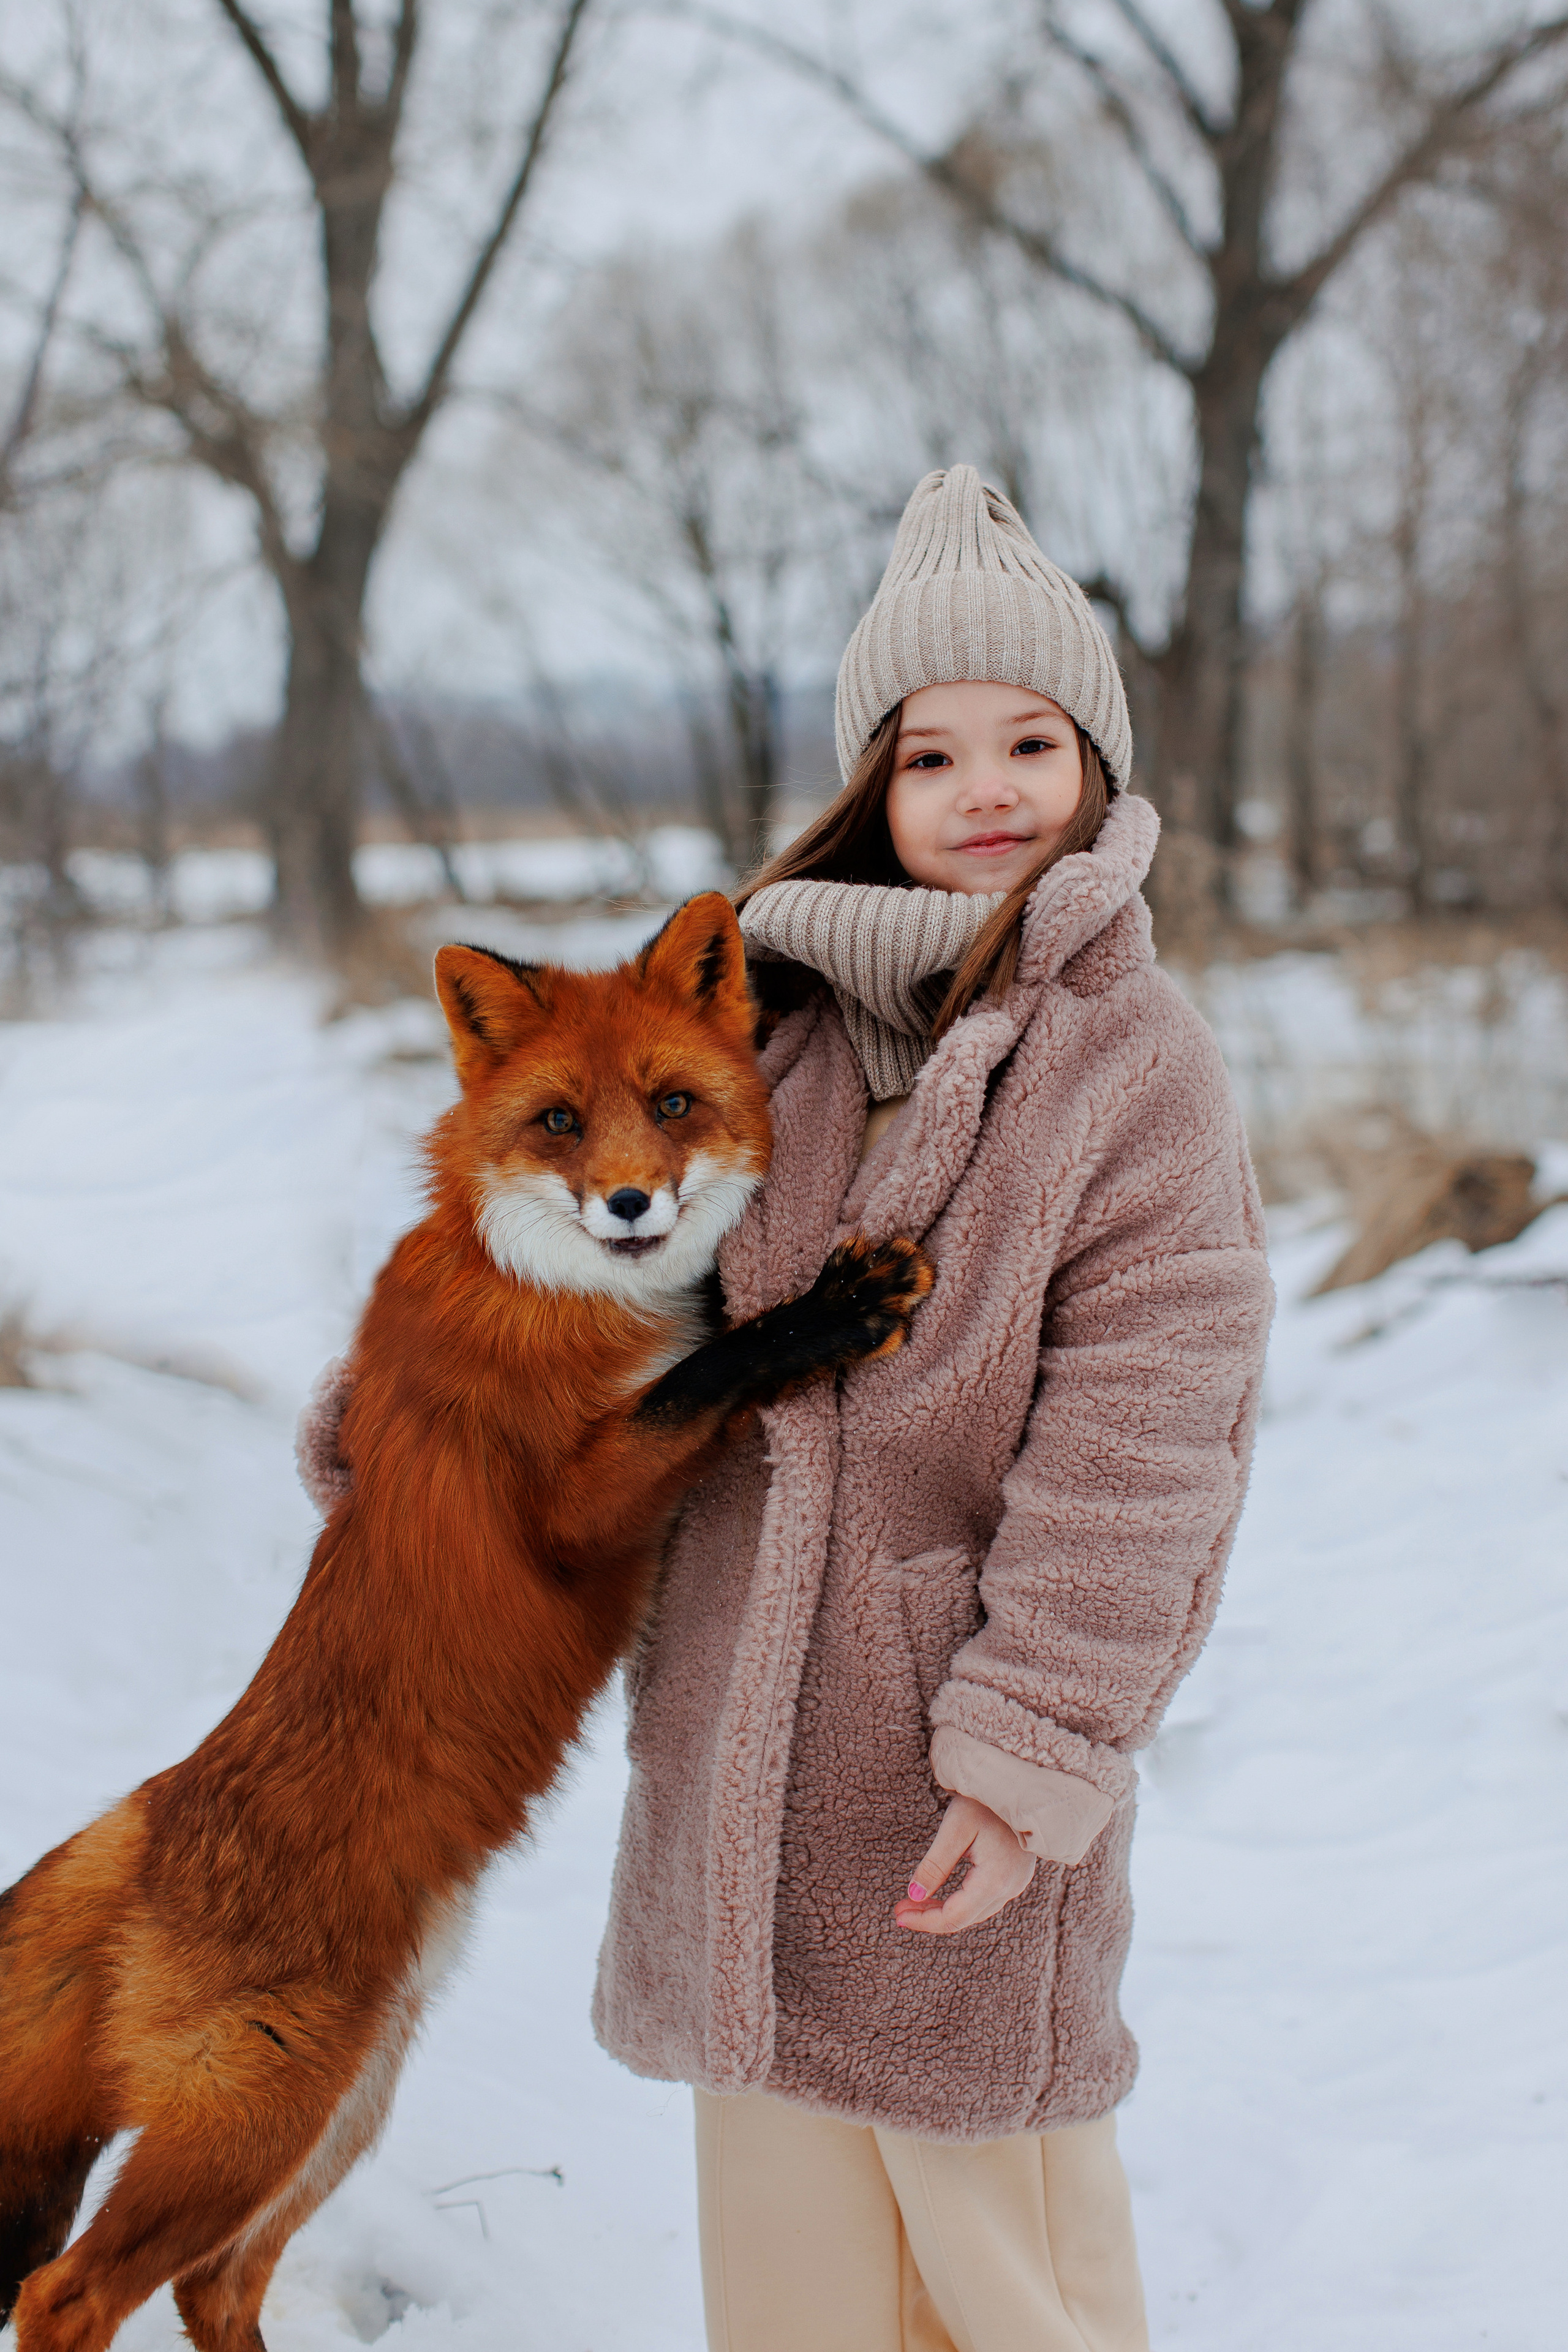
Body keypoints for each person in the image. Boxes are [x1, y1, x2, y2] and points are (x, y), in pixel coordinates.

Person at [592, 466, 1275, 2352]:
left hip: (947, 1780)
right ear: (870, 792)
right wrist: (418, 1432)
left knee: (1007, 2284)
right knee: (796, 2295)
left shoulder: (1132, 1069)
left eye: (1030, 743)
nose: (985, 792)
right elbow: (595, 1295)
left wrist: (1032, 1747)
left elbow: (1150, 1447)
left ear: (1094, 767)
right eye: (931, 754)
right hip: (737, 1776)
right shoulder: (761, 1041)